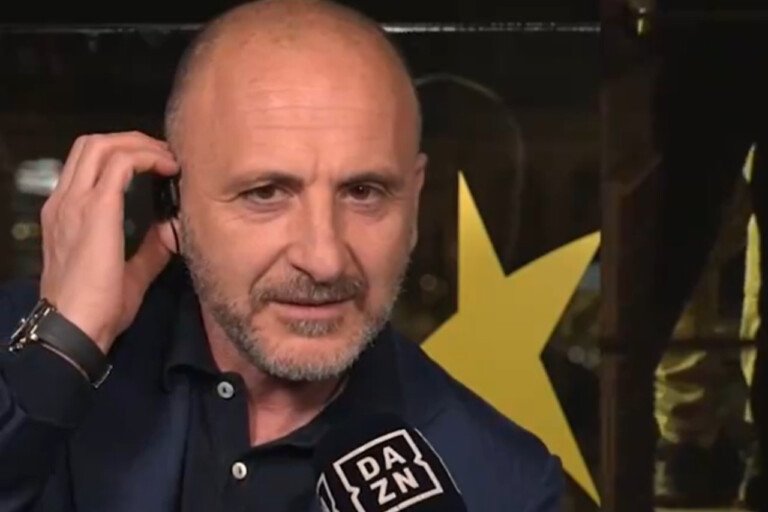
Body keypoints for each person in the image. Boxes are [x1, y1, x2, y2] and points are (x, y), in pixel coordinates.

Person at [0, 1, 563, 511]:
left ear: (413, 204)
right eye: (266, 192)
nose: (324, 260)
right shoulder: (29, 353)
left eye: (363, 192)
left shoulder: (504, 484)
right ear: (173, 203)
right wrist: (65, 350)